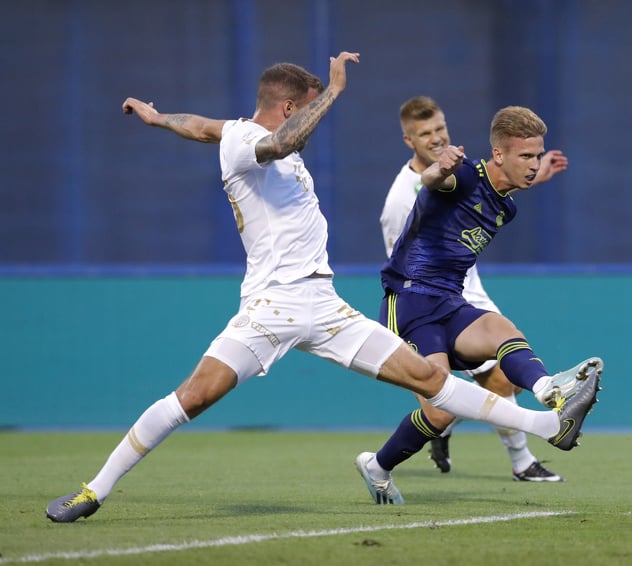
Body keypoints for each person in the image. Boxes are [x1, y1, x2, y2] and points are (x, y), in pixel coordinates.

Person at [45, 53, 601, 522]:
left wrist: (159, 116)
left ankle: (548, 424)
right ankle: (96, 489)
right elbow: (280, 143)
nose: (310, 117)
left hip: (324, 304)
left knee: (431, 379)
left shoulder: (233, 133)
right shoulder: (252, 143)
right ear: (290, 107)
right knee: (192, 397)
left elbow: (202, 126)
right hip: (270, 309)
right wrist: (333, 90)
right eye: (304, 106)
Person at [355, 104, 604, 504]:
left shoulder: (506, 206)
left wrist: (533, 176)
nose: (533, 163)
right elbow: (435, 181)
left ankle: (549, 390)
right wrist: (440, 168)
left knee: (502, 329)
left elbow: (500, 187)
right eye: (526, 156)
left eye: (537, 155)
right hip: (411, 304)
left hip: (451, 303)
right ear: (499, 155)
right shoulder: (465, 175)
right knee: (440, 412)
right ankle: (378, 466)